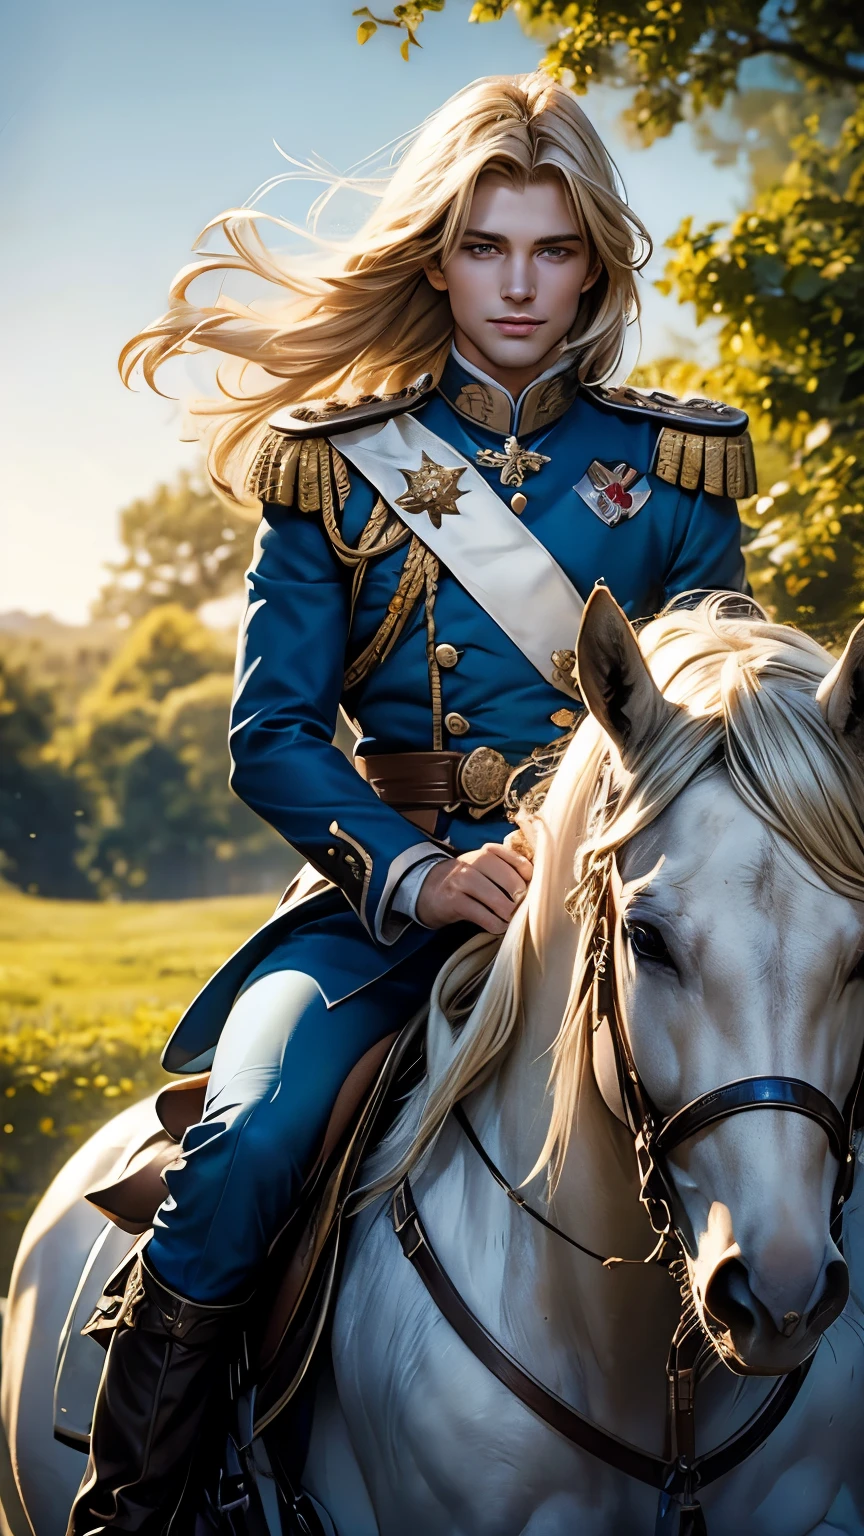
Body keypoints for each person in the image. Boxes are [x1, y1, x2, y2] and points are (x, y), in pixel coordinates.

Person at [69, 71, 754, 1535]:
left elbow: (724, 740)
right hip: (386, 910)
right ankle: (142, 1508)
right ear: (438, 255)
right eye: (488, 247)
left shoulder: (677, 465)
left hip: (631, 905)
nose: (521, 286)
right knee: (250, 1139)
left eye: (553, 249)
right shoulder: (336, 466)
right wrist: (419, 878)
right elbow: (273, 735)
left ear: (597, 263)